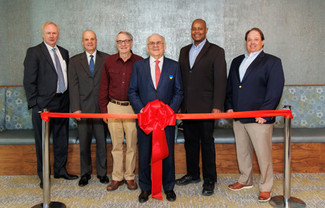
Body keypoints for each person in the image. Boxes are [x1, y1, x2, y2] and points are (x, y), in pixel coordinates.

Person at [225, 28, 285, 202]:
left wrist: (265, 113)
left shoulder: (272, 62)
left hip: (260, 119)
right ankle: (245, 179)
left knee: (263, 154)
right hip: (238, 116)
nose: (252, 42)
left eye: (256, 39)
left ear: (263, 41)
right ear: (246, 41)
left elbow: (274, 90)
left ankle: (266, 187)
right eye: (249, 39)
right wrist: (229, 107)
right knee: (242, 152)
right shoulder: (237, 61)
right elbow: (231, 86)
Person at [128, 34, 183, 203]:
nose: (156, 45)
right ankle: (145, 188)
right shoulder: (138, 66)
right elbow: (132, 91)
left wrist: (168, 111)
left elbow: (179, 92)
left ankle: (168, 187)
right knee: (144, 154)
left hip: (166, 121)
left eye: (159, 42)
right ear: (147, 46)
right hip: (146, 121)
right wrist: (144, 111)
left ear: (164, 46)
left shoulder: (174, 66)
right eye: (152, 43)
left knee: (167, 154)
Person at [23, 22, 78, 189]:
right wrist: (35, 103)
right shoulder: (34, 52)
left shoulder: (63, 52)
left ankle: (60, 170)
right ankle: (44, 176)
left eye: (54, 33)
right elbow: (28, 81)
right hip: (43, 105)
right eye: (48, 33)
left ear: (58, 34)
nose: (52, 36)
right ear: (43, 34)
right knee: (43, 142)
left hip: (62, 102)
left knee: (61, 138)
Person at [176, 19, 227, 196]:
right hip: (188, 108)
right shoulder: (184, 51)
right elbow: (181, 79)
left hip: (207, 108)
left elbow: (221, 80)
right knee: (189, 143)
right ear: (191, 31)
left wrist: (217, 106)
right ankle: (192, 174)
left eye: (200, 28)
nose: (196, 31)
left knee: (206, 144)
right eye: (194, 29)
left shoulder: (216, 51)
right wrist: (180, 105)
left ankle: (210, 179)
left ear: (206, 30)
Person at [98, 31, 142, 191]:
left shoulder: (139, 61)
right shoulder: (109, 61)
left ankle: (130, 176)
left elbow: (143, 88)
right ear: (116, 44)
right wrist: (104, 110)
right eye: (120, 41)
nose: (123, 44)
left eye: (126, 41)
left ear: (131, 42)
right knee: (116, 145)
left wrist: (142, 110)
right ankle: (116, 177)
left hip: (132, 108)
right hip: (113, 107)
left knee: (131, 144)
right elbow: (103, 86)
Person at [69, 30, 109, 187]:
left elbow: (107, 85)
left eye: (92, 39)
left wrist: (106, 108)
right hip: (82, 109)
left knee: (101, 142)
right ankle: (85, 173)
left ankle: (102, 173)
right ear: (82, 42)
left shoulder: (106, 58)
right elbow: (73, 86)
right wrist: (75, 108)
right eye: (86, 39)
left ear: (96, 40)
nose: (90, 42)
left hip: (100, 108)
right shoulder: (74, 61)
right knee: (84, 143)